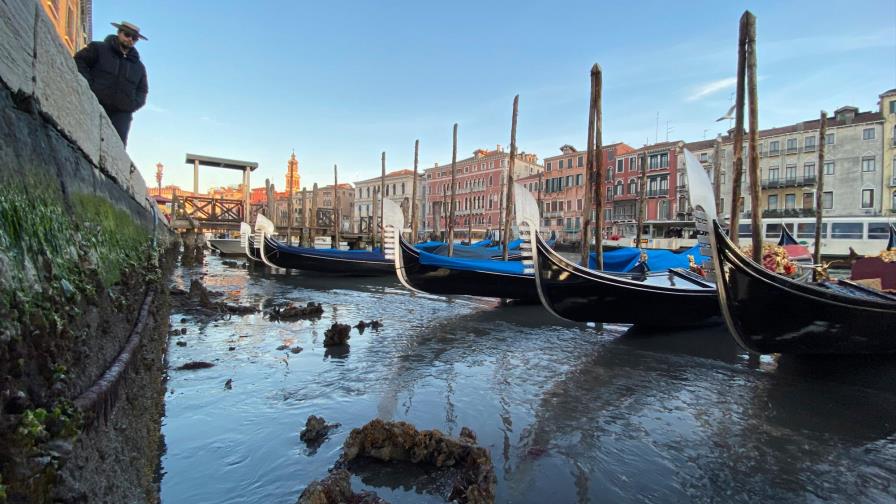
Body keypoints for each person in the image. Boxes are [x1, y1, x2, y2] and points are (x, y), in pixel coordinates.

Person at [74, 21, 148, 146]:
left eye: (134, 38)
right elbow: (79, 61)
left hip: (121, 115)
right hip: (94, 103)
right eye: (127, 35)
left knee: (116, 148)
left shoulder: (139, 67)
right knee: (85, 141)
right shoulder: (98, 48)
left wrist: (131, 105)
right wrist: (89, 86)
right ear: (119, 33)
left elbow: (143, 91)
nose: (130, 39)